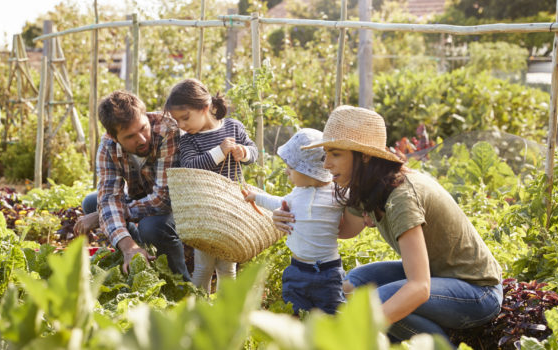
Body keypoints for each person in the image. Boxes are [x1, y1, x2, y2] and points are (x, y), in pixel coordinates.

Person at [276, 105, 503, 341]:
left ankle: (442, 345)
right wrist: (290, 215)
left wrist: (355, 333)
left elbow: (419, 287)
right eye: (326, 154)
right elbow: (343, 230)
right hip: (440, 277)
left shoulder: (402, 197)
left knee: (376, 304)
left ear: (364, 155)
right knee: (354, 284)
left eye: (335, 154)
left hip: (478, 292)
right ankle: (423, 332)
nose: (326, 165)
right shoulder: (368, 187)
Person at [73, 90, 190, 281]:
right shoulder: (107, 147)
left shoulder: (166, 130)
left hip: (175, 204)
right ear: (113, 136)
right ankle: (137, 260)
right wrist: (128, 245)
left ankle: (181, 283)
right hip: (143, 199)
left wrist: (108, 214)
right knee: (92, 202)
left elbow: (163, 199)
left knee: (151, 227)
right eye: (130, 136)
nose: (142, 139)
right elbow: (109, 197)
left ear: (146, 117)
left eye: (143, 128)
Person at [165, 78, 258, 293]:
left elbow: (253, 151)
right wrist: (219, 152)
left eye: (185, 118)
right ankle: (199, 311)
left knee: (228, 265)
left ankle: (227, 311)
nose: (182, 126)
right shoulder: (189, 140)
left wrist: (243, 153)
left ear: (205, 107)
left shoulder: (233, 127)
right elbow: (190, 166)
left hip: (230, 208)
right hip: (204, 212)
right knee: (203, 266)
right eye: (177, 121)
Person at [244, 128, 345, 315]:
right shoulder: (296, 194)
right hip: (297, 270)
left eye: (291, 168)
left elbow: (358, 202)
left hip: (329, 273)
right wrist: (255, 197)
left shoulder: (338, 194)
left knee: (332, 315)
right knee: (294, 313)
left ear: (309, 171)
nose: (286, 171)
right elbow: (277, 201)